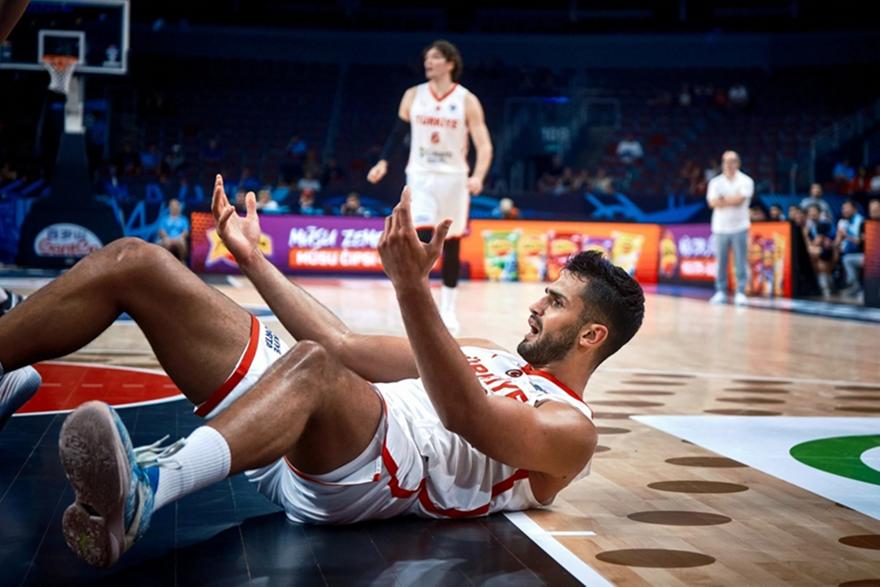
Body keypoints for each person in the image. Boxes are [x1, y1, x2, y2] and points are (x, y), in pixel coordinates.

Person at [0, 176, 644, 569]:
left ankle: (149, 487)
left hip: (370, 473)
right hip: (298, 419)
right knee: (135, 262)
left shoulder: (572, 431)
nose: (536, 305)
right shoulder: (487, 351)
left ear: (591, 336)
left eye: (555, 302)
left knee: (313, 366)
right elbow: (341, 341)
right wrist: (252, 259)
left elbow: (465, 415)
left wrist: (411, 289)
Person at [366, 40, 493, 335]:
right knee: (420, 234)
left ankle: (448, 308)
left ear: (450, 63)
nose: (428, 62)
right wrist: (383, 162)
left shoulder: (466, 100)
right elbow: (397, 134)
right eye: (426, 57)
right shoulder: (413, 95)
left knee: (451, 240)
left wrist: (478, 176)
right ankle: (418, 303)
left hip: (454, 177)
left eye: (435, 57)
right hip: (420, 174)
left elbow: (484, 144)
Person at [706, 151, 754, 306]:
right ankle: (721, 291)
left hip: (740, 227)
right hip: (720, 228)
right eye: (726, 161)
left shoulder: (746, 180)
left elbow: (740, 200)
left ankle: (740, 292)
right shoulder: (715, 182)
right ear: (722, 164)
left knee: (740, 261)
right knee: (721, 262)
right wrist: (730, 199)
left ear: (738, 163)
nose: (729, 164)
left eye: (732, 161)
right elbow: (712, 202)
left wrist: (722, 200)